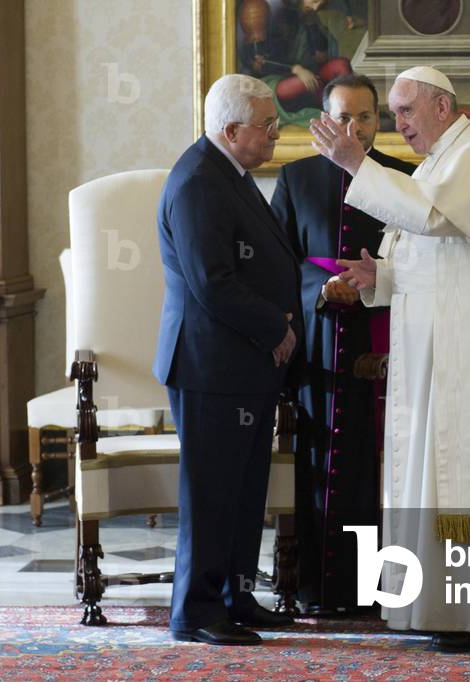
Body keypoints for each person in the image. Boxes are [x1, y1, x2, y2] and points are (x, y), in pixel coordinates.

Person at [309, 66, 470, 650]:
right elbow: (438, 248)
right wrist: (381, 275)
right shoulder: (441, 159)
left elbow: (434, 219)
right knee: (430, 467)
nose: (399, 125)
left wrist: (353, 165)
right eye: (393, 114)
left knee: (468, 465)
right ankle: (440, 604)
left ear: (442, 107)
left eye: (406, 112)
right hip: (443, 330)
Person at [154, 73, 303, 646]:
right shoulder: (197, 181)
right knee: (212, 493)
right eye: (267, 126)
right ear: (231, 128)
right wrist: (279, 328)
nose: (275, 135)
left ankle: (236, 597)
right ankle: (195, 612)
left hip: (244, 364)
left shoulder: (229, 173)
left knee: (244, 493)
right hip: (210, 366)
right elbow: (212, 282)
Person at [270, 74, 416, 616]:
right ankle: (316, 589)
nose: (353, 129)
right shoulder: (296, 178)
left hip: (385, 342)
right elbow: (280, 264)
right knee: (318, 465)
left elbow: (422, 259)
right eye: (343, 118)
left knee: (377, 470)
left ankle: (383, 592)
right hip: (319, 342)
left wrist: (375, 281)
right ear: (323, 122)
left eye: (364, 118)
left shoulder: (405, 179)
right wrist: (319, 289)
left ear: (379, 121)